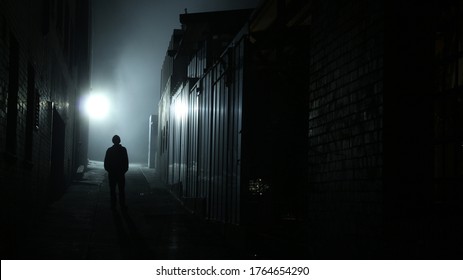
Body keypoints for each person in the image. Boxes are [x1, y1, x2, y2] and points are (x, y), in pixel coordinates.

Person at [104, 135, 129, 209]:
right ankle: (122, 205)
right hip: (121, 173)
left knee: (112, 190)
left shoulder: (109, 150)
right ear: (119, 140)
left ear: (113, 141)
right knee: (121, 190)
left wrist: (109, 170)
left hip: (112, 174)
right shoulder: (123, 150)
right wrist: (123, 171)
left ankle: (113, 205)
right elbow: (126, 162)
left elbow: (106, 163)